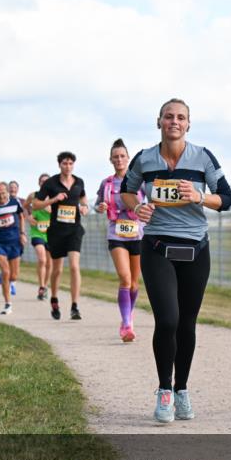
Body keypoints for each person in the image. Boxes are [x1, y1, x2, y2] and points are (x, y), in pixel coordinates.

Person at [122, 98, 231, 423]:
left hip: (196, 249)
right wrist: (136, 207)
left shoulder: (203, 158)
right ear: (159, 122)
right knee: (167, 320)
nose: (175, 122)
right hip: (158, 247)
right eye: (169, 116)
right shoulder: (144, 159)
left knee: (187, 322)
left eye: (181, 117)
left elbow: (226, 198)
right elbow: (128, 192)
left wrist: (198, 196)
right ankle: (164, 390)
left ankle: (182, 389)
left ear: (188, 124)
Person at [97, 138, 144, 342]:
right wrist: (100, 207)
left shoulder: (139, 181)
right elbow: (99, 203)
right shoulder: (107, 183)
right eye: (115, 156)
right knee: (125, 279)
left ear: (128, 158)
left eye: (122, 156)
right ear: (110, 159)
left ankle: (128, 315)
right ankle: (126, 324)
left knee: (134, 283)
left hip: (138, 234)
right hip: (117, 233)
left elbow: (151, 202)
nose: (119, 159)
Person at [32, 152, 89, 320]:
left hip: (74, 230)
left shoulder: (79, 182)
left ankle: (74, 306)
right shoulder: (51, 183)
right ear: (59, 165)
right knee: (57, 269)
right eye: (65, 163)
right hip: (56, 231)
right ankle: (54, 299)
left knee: (74, 266)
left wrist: (84, 207)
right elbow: (35, 204)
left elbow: (83, 199)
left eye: (71, 163)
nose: (68, 166)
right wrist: (53, 199)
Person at [0, 181, 26, 315]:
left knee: (14, 276)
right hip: (0, 243)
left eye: (3, 192)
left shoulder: (14, 203)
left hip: (14, 242)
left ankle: (3, 277)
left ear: (7, 192)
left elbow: (21, 216)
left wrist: (22, 233)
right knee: (7, 272)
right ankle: (8, 304)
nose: (1, 196)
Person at [26, 173, 52, 301]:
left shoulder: (55, 197)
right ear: (39, 183)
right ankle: (41, 286)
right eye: (42, 181)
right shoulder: (33, 196)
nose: (44, 183)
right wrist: (28, 216)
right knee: (42, 259)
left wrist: (49, 208)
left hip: (51, 233)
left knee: (50, 263)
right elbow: (25, 207)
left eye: (46, 181)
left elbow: (62, 213)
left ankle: (45, 286)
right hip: (37, 232)